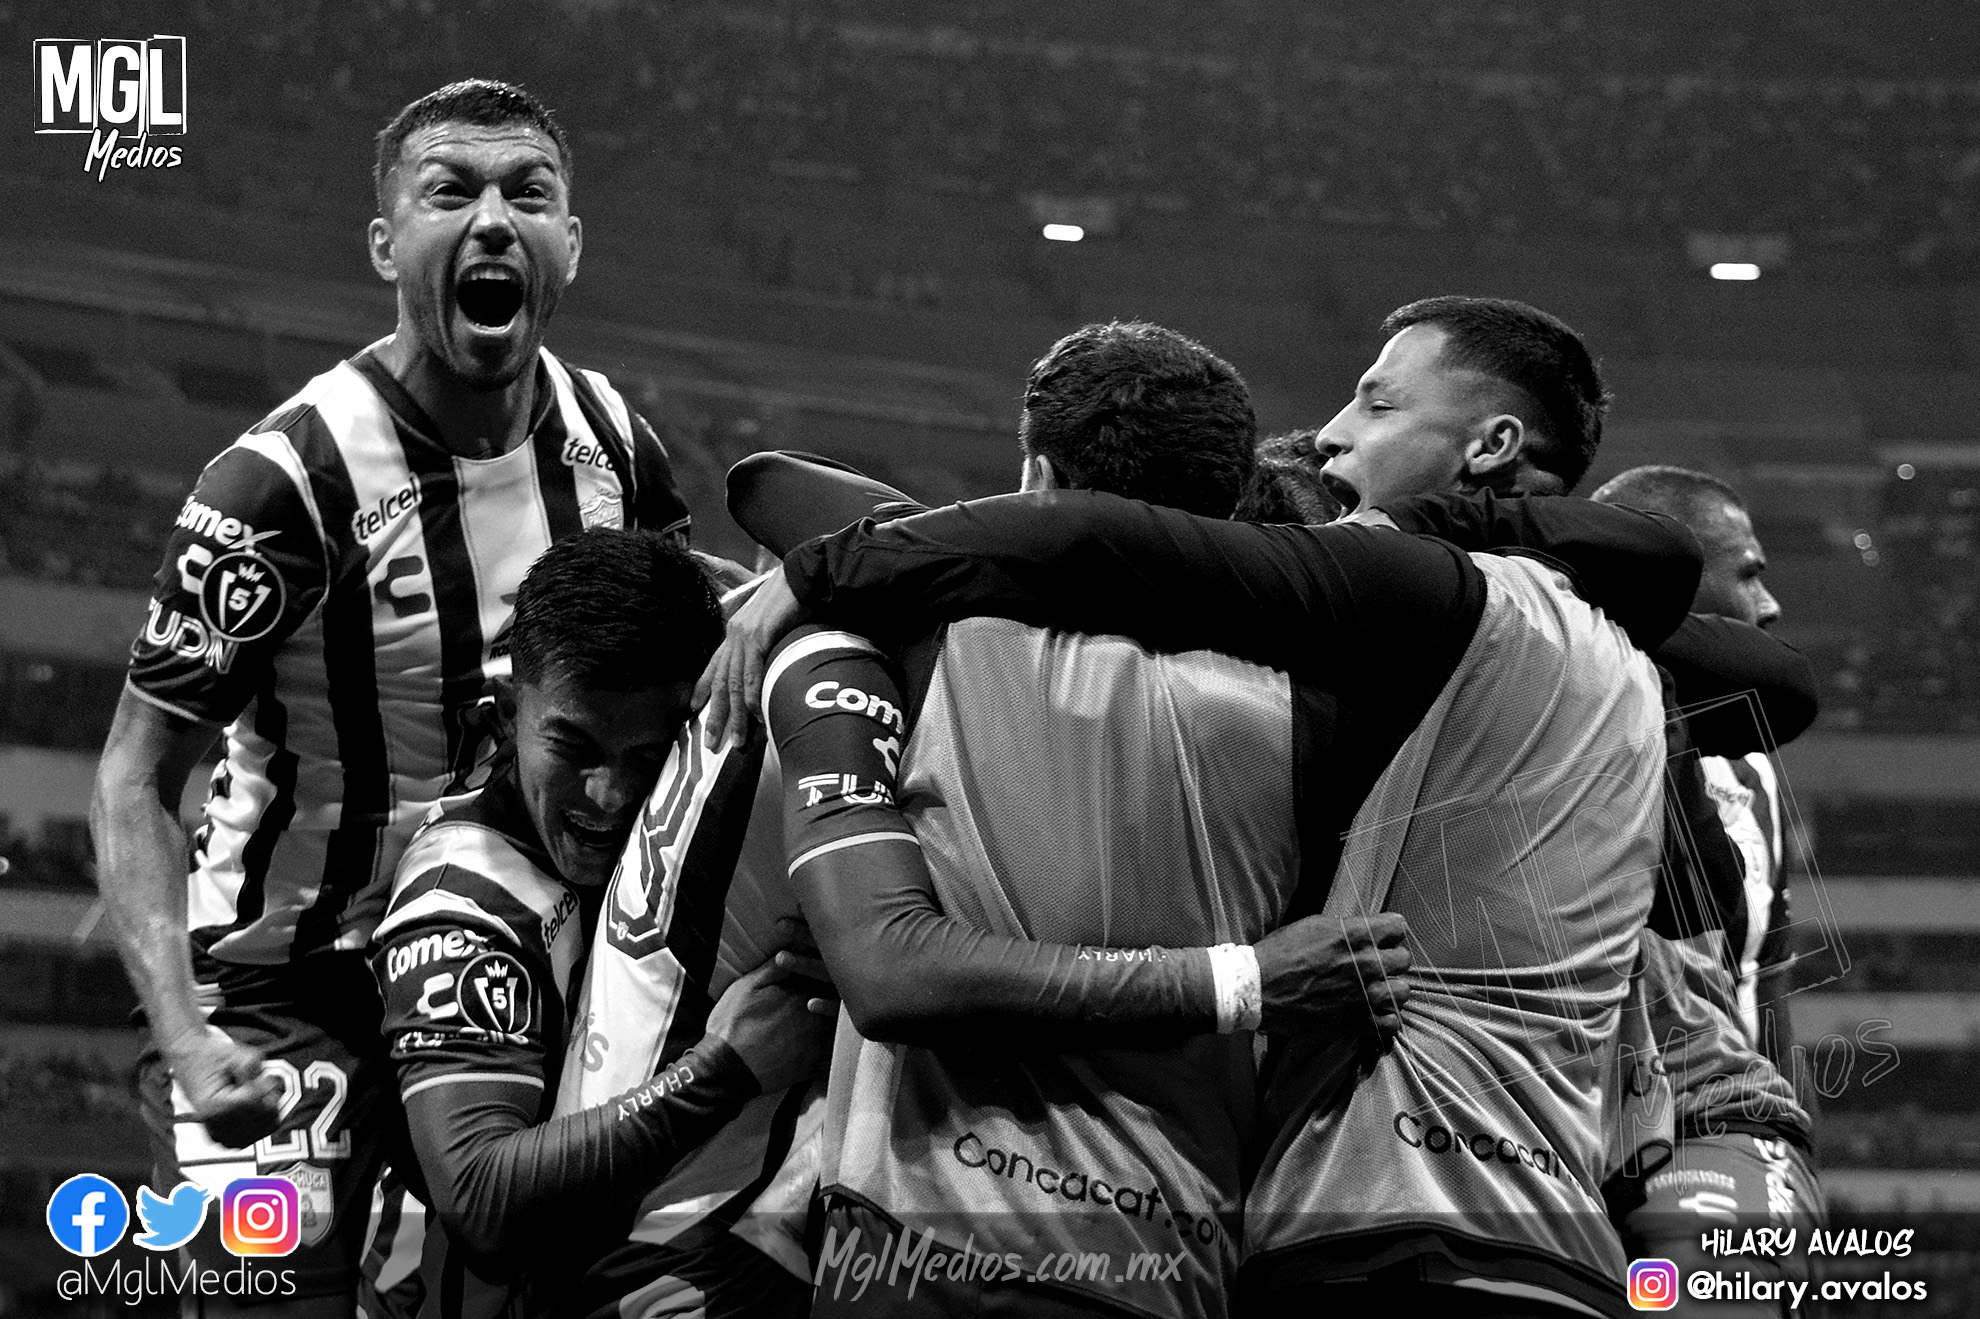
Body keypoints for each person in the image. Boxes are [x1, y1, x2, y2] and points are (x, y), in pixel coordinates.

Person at [89, 79, 690, 1311]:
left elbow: (686, 649)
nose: (493, 219)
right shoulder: (282, 480)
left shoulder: (616, 446)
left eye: (528, 193)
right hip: (282, 990)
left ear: (571, 243)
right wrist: (190, 1037)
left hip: (509, 968)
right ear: (383, 244)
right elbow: (135, 774)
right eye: (450, 190)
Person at [366, 529, 831, 1317]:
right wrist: (724, 1069)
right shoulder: (461, 907)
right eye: (574, 747)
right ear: (507, 714)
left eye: (646, 758)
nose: (608, 795)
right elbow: (479, 1200)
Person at [1592, 466, 1826, 1317]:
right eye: (1749, 572)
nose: (1769, 605)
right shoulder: (1567, 712)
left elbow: (1765, 989)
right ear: (1678, 581)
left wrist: (1798, 1173)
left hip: (1713, 1125)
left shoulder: (1757, 771)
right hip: (1564, 1126)